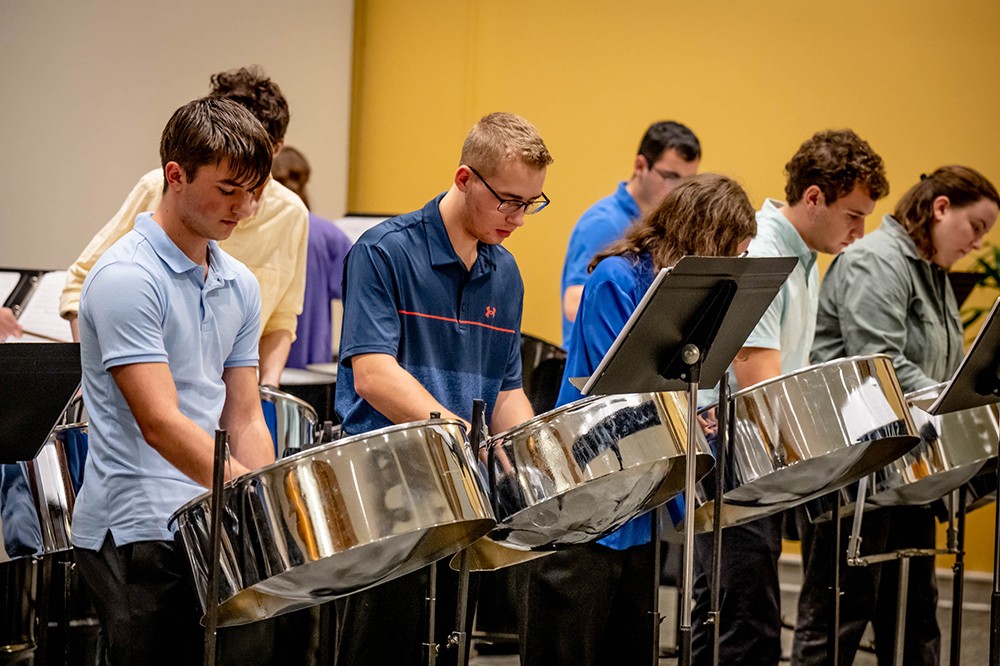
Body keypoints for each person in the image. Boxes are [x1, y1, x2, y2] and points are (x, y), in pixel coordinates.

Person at [334, 111, 552, 665]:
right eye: (508, 200)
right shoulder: (384, 251)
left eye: (530, 204)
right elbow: (374, 372)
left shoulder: (506, 273)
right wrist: (455, 432)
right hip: (387, 500)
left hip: (464, 502)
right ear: (463, 179)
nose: (519, 219)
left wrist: (538, 454)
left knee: (451, 650)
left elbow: (505, 391)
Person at [517, 174, 756, 666]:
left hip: (640, 501)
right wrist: (679, 413)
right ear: (706, 238)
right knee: (567, 647)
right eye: (731, 252)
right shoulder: (617, 278)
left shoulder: (688, 291)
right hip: (586, 493)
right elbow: (619, 389)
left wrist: (697, 412)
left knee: (629, 648)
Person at [71, 97, 277, 664]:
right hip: (136, 525)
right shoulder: (126, 278)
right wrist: (239, 490)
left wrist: (264, 502)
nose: (243, 207)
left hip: (207, 513)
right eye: (229, 189)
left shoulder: (240, 284)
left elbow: (243, 414)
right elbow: (160, 423)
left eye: (253, 192)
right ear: (176, 175)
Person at [689, 129, 889, 666]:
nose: (860, 230)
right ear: (815, 197)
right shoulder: (766, 249)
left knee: (725, 608)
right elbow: (756, 371)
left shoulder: (806, 255)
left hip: (755, 443)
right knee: (745, 616)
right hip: (734, 442)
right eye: (853, 215)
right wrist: (816, 457)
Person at [796, 165, 999, 665]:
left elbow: (942, 369)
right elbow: (878, 362)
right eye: (976, 227)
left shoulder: (931, 274)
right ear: (941, 207)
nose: (977, 244)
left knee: (914, 614)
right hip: (857, 462)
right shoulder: (876, 261)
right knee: (840, 614)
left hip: (906, 459)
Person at [60, 66, 308, 386]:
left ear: (276, 148)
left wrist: (266, 392)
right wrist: (95, 378)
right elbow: (82, 281)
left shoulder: (290, 216)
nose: (243, 207)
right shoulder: (158, 188)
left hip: (227, 392)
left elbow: (281, 320)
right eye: (227, 188)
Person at [560, 120, 700, 345]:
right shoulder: (604, 222)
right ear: (640, 166)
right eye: (671, 177)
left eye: (688, 182)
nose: (679, 191)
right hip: (593, 367)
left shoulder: (661, 224)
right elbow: (574, 303)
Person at [270, 145, 353, 369]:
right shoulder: (330, 236)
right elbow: (360, 296)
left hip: (259, 365)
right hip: (312, 367)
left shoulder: (251, 231)